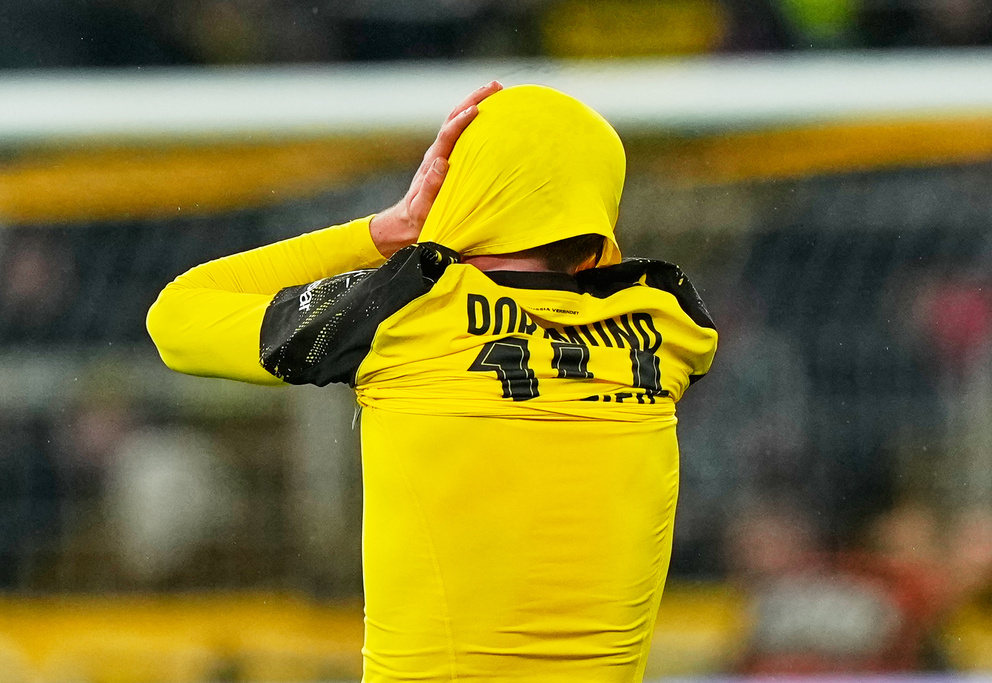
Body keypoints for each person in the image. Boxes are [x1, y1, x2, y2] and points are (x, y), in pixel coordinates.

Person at [147, 81, 718, 683]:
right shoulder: (667, 335)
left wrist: (387, 229)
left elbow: (177, 319)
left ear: (464, 180)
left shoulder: (406, 312)